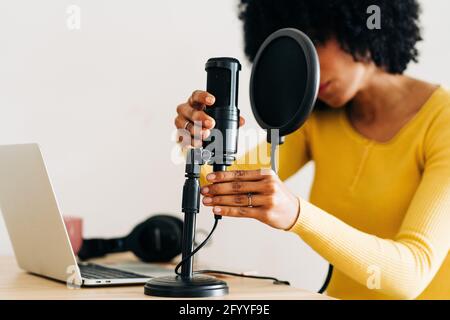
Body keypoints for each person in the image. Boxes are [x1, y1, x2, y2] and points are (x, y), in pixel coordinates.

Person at [173, 0, 450, 299]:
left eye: (316, 39)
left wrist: (298, 215)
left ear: (360, 28)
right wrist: (202, 142)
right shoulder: (316, 117)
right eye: (295, 47)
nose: (308, 63)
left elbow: (411, 275)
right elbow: (219, 184)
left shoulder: (441, 123)